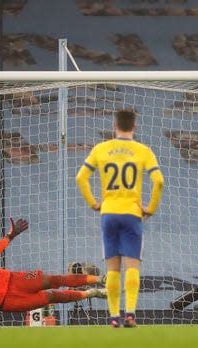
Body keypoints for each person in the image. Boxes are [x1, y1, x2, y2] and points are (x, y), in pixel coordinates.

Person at [76, 109, 165, 328]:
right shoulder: (143, 151)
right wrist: (150, 208)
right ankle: (131, 314)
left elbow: (81, 177)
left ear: (114, 126)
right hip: (132, 213)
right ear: (134, 127)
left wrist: (94, 203)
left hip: (109, 213)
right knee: (132, 267)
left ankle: (114, 317)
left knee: (112, 269)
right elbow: (159, 181)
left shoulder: (101, 149)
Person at [0, 217, 106, 328]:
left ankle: (99, 279)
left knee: (53, 279)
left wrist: (11, 235)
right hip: (8, 301)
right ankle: (92, 293)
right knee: (51, 297)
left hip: (14, 280)